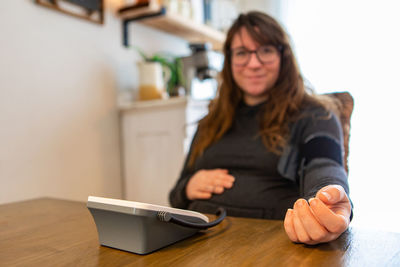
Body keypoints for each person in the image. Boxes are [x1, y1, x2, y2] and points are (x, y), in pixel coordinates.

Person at [169, 11, 352, 245]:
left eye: (265, 50)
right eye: (242, 53)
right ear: (229, 60)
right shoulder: (210, 121)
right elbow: (175, 197)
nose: (253, 63)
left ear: (283, 56)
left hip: (272, 244)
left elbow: (323, 165)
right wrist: (188, 187)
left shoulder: (315, 114)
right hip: (200, 242)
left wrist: (329, 197)